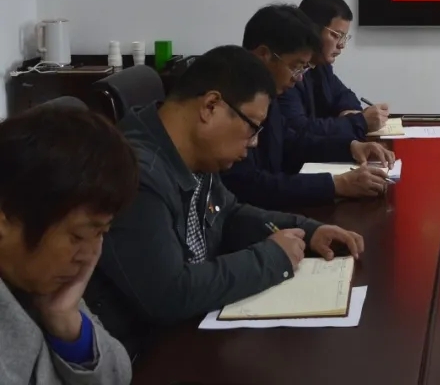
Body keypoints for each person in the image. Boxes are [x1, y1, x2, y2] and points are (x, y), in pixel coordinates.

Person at [85, 46, 365, 356]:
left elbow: (228, 214)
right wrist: (273, 258)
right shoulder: (134, 173)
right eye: (252, 127)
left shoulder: (191, 152)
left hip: (194, 330)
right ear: (211, 106)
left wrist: (306, 230)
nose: (254, 142)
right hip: (150, 354)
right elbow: (169, 294)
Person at [0, 107, 137, 384]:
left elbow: (119, 374)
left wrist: (65, 321)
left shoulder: (38, 280)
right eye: (78, 236)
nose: (89, 256)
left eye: (101, 233)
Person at [220, 4, 393, 209]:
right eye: (295, 67)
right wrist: (335, 185)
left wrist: (350, 147)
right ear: (264, 54)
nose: (299, 78)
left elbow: (291, 143)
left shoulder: (267, 94)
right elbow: (249, 185)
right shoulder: (229, 103)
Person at [278, 0, 389, 144]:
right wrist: (359, 121)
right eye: (336, 35)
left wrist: (348, 113)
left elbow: (344, 95)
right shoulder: (285, 72)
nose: (342, 45)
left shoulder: (320, 66)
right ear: (313, 30)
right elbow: (300, 129)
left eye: (344, 37)